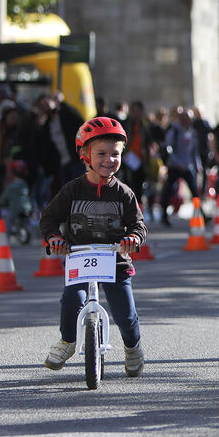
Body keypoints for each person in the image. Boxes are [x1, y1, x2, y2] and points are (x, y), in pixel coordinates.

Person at [40, 117, 148, 376]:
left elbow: (139, 225)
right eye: (101, 153)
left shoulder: (124, 194)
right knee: (71, 300)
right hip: (79, 258)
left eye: (115, 154)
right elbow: (49, 218)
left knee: (126, 314)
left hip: (115, 260)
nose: (109, 160)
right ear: (85, 154)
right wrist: (54, 239)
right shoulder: (72, 190)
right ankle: (67, 341)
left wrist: (133, 239)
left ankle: (133, 347)